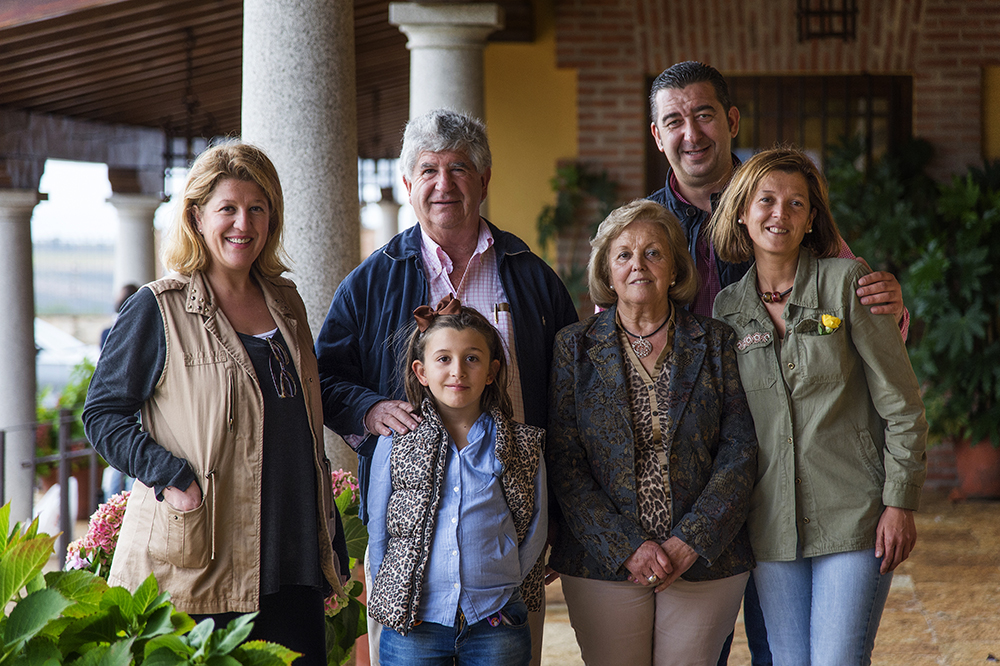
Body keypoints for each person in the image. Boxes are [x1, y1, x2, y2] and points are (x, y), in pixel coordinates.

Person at [646, 60, 913, 664]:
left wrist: (891, 304)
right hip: (703, 493)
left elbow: (866, 313)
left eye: (705, 114)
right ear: (656, 135)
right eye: (674, 120)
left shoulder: (786, 198)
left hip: (820, 492)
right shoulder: (646, 231)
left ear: (732, 120)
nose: (692, 133)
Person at [315, 108, 577, 666]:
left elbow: (570, 398)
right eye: (428, 170)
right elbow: (323, 377)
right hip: (409, 562)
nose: (444, 183)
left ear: (484, 180)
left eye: (459, 168)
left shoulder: (530, 276)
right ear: (408, 185)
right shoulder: (371, 280)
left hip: (504, 552)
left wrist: (557, 513)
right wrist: (367, 409)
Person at [83, 142, 347, 665]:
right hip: (204, 562)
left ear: (272, 218)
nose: (242, 224)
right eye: (227, 208)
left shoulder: (286, 303)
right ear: (197, 215)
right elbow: (102, 414)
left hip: (293, 557)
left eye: (257, 209)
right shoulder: (158, 307)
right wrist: (171, 476)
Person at [711, 148, 927, 665]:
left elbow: (902, 405)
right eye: (766, 200)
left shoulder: (848, 283)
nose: (779, 214)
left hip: (855, 513)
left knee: (836, 660)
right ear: (743, 211)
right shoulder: (727, 310)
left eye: (795, 204)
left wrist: (900, 502)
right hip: (769, 524)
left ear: (811, 220)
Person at [546, 198, 758, 666]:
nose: (638, 265)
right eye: (623, 254)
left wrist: (690, 539)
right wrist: (626, 547)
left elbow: (740, 450)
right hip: (602, 562)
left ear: (675, 267)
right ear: (607, 269)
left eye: (653, 253)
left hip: (703, 560)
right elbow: (564, 461)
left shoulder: (716, 340)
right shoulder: (573, 347)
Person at [366, 296, 546, 666]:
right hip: (416, 623)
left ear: (492, 371)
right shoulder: (395, 442)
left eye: (472, 358)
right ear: (421, 372)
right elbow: (380, 529)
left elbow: (536, 526)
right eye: (443, 358)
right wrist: (397, 596)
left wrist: (506, 583)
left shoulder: (521, 443)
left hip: (496, 621)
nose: (458, 372)